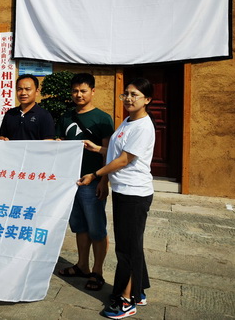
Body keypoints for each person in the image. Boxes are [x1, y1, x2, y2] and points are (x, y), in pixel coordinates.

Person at [79, 77, 156, 319]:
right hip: (124, 190)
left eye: (135, 95)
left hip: (135, 193)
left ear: (147, 99)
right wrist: (98, 148)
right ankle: (138, 291)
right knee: (132, 244)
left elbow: (124, 160)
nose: (129, 99)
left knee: (126, 249)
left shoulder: (143, 126)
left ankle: (126, 300)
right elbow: (117, 152)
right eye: (127, 94)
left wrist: (96, 174)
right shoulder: (128, 121)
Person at [56, 73, 114, 291]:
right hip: (71, 182)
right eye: (75, 91)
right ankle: (82, 265)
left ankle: (97, 272)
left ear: (93, 91)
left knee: (97, 228)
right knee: (79, 226)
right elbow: (59, 144)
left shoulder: (102, 119)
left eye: (83, 90)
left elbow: (108, 153)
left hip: (92, 180)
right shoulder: (66, 117)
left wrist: (103, 180)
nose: (78, 95)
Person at [0, 74, 55, 140]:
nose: (23, 93)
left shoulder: (44, 115)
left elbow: (48, 141)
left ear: (37, 91)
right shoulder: (10, 114)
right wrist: (2, 139)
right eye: (19, 89)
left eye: (27, 89)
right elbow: (2, 136)